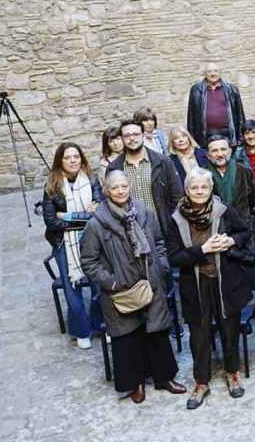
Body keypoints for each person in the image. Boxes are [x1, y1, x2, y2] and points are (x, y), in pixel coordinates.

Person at [80, 171, 185, 403]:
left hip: (151, 282)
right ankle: (135, 383)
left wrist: (161, 266)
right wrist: (112, 282)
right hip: (121, 291)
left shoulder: (144, 212)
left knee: (156, 332)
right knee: (128, 337)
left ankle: (164, 377)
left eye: (124, 186)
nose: (120, 191)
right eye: (115, 187)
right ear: (107, 191)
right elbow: (89, 262)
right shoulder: (96, 224)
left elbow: (159, 242)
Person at [165, 168, 253, 409]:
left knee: (229, 328)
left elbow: (245, 231)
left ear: (211, 188)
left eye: (204, 186)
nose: (200, 191)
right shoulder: (176, 218)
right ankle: (201, 381)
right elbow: (174, 257)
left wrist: (231, 241)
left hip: (225, 280)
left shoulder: (224, 210)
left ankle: (232, 373)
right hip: (195, 284)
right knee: (199, 334)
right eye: (195, 187)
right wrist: (202, 250)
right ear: (186, 190)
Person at [42, 142, 104, 349]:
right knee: (72, 287)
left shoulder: (92, 180)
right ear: (60, 161)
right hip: (63, 243)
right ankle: (81, 331)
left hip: (92, 239)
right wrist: (83, 216)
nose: (73, 161)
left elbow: (99, 212)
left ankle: (99, 324)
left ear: (82, 159)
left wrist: (67, 215)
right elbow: (51, 221)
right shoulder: (52, 185)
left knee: (99, 284)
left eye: (76, 156)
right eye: (67, 157)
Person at [107, 118, 183, 237]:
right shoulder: (114, 168)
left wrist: (172, 223)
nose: (132, 138)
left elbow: (177, 197)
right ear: (122, 139)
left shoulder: (163, 162)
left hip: (164, 230)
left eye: (136, 134)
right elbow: (110, 203)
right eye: (127, 135)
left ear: (143, 135)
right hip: (131, 233)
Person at [186, 62, 246, 148]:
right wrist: (192, 141)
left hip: (228, 134)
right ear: (205, 74)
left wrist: (241, 139)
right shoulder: (196, 89)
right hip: (205, 135)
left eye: (215, 71)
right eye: (209, 71)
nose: (213, 74)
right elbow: (191, 118)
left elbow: (240, 115)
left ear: (220, 73)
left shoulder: (232, 89)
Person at [206, 135, 255, 220]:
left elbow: (252, 199)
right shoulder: (203, 175)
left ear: (230, 151)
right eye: (214, 151)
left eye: (223, 149)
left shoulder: (244, 171)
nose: (220, 154)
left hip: (242, 222)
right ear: (208, 155)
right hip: (215, 223)